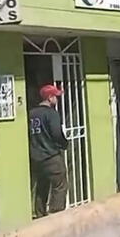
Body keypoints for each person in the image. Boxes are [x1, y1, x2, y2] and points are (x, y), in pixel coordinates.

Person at [28, 84, 69, 218]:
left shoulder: (32, 113)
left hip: (36, 158)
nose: (57, 99)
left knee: (42, 187)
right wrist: (64, 144)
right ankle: (56, 216)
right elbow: (57, 134)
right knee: (60, 185)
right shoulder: (52, 114)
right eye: (56, 96)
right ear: (50, 98)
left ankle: (40, 215)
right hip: (51, 156)